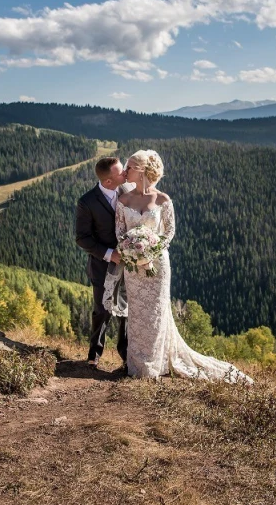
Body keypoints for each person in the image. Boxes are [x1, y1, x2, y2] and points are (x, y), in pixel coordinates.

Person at [103, 149, 253, 384]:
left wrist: (151, 252)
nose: (126, 171)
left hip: (158, 266)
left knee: (156, 312)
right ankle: (138, 364)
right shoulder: (123, 200)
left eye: (130, 167)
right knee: (138, 314)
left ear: (142, 171)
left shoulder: (163, 200)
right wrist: (132, 253)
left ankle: (156, 361)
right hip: (134, 267)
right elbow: (120, 234)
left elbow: (169, 233)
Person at [76, 156, 132, 369]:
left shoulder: (127, 190)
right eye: (120, 172)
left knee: (126, 311)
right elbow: (82, 238)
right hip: (102, 265)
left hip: (129, 264)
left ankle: (126, 354)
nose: (125, 173)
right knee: (102, 309)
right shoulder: (87, 202)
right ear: (108, 181)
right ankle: (95, 353)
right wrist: (110, 253)